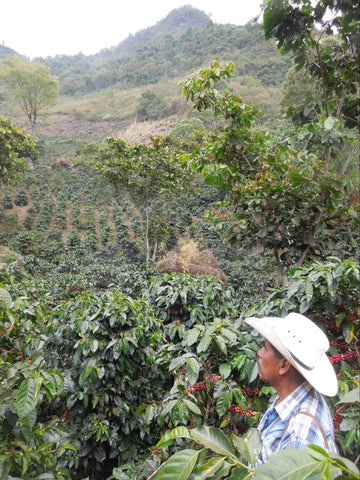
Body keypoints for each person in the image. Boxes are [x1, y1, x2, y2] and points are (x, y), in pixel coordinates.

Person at [244, 312, 338, 464]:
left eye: (265, 347)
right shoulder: (290, 397)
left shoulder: (302, 428)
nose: (259, 353)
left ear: (284, 365)